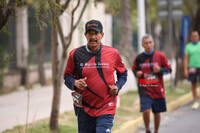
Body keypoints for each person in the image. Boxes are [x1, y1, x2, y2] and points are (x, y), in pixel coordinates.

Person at [63, 19, 127, 133]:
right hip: (84, 107)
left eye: (96, 33)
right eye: (90, 33)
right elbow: (67, 77)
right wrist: (75, 83)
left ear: (102, 35)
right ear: (85, 35)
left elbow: (123, 74)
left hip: (107, 105)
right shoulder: (75, 54)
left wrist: (117, 87)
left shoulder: (113, 53)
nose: (93, 37)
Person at [132, 34, 171, 133]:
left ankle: (156, 131)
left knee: (157, 113)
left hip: (157, 88)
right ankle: (148, 130)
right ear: (142, 45)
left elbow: (169, 70)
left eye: (150, 42)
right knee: (146, 110)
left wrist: (160, 69)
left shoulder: (160, 56)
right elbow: (134, 69)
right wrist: (137, 73)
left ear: (153, 44)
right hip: (144, 87)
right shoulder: (139, 58)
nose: (148, 45)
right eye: (146, 43)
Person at [184, 30, 200, 109]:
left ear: (198, 36)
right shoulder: (188, 46)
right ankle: (196, 101)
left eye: (196, 36)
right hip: (192, 68)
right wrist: (186, 70)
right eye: (193, 36)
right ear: (191, 37)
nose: (195, 37)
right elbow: (186, 59)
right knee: (193, 85)